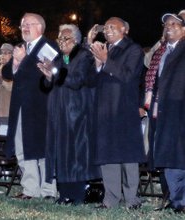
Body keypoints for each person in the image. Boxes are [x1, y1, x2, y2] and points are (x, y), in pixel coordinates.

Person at [37, 24, 100, 205]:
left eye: (65, 39)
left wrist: (55, 73)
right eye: (59, 39)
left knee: (76, 155)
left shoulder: (84, 56)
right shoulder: (57, 57)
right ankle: (64, 194)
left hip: (77, 114)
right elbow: (48, 86)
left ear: (76, 40)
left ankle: (78, 195)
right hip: (58, 113)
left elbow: (77, 81)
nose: (61, 42)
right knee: (60, 153)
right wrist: (48, 76)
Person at [89, 17, 146, 209]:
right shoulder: (105, 50)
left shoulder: (134, 49)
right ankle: (111, 199)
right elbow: (93, 81)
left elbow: (129, 76)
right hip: (104, 110)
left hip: (124, 109)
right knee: (108, 157)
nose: (107, 31)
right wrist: (98, 64)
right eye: (105, 28)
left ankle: (132, 200)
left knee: (128, 156)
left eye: (113, 27)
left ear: (125, 30)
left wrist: (106, 61)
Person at [2, 12, 58, 200]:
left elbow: (49, 74)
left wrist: (23, 60)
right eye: (22, 24)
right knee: (22, 149)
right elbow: (6, 72)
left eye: (28, 24)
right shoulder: (21, 48)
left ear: (40, 27)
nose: (24, 27)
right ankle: (30, 189)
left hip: (41, 109)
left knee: (42, 150)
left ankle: (48, 191)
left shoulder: (48, 47)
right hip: (20, 109)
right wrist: (16, 61)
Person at [146, 13, 185, 213]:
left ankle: (181, 201)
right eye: (166, 24)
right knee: (170, 157)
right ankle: (177, 201)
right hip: (164, 111)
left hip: (180, 110)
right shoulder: (162, 52)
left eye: (174, 24)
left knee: (179, 156)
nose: (168, 27)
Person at [0, 43, 13, 134]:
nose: (3, 55)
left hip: (7, 115)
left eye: (7, 53)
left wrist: (1, 80)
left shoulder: (16, 70)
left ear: (12, 55)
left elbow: (14, 88)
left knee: (6, 141)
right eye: (1, 53)